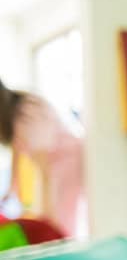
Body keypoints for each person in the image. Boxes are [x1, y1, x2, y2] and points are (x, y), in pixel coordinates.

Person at [0, 79, 86, 237]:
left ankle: (60, 244)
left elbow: (44, 169)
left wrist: (48, 219)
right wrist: (11, 188)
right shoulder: (12, 118)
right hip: (51, 166)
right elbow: (16, 151)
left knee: (59, 218)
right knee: (45, 213)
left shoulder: (28, 111)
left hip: (66, 161)